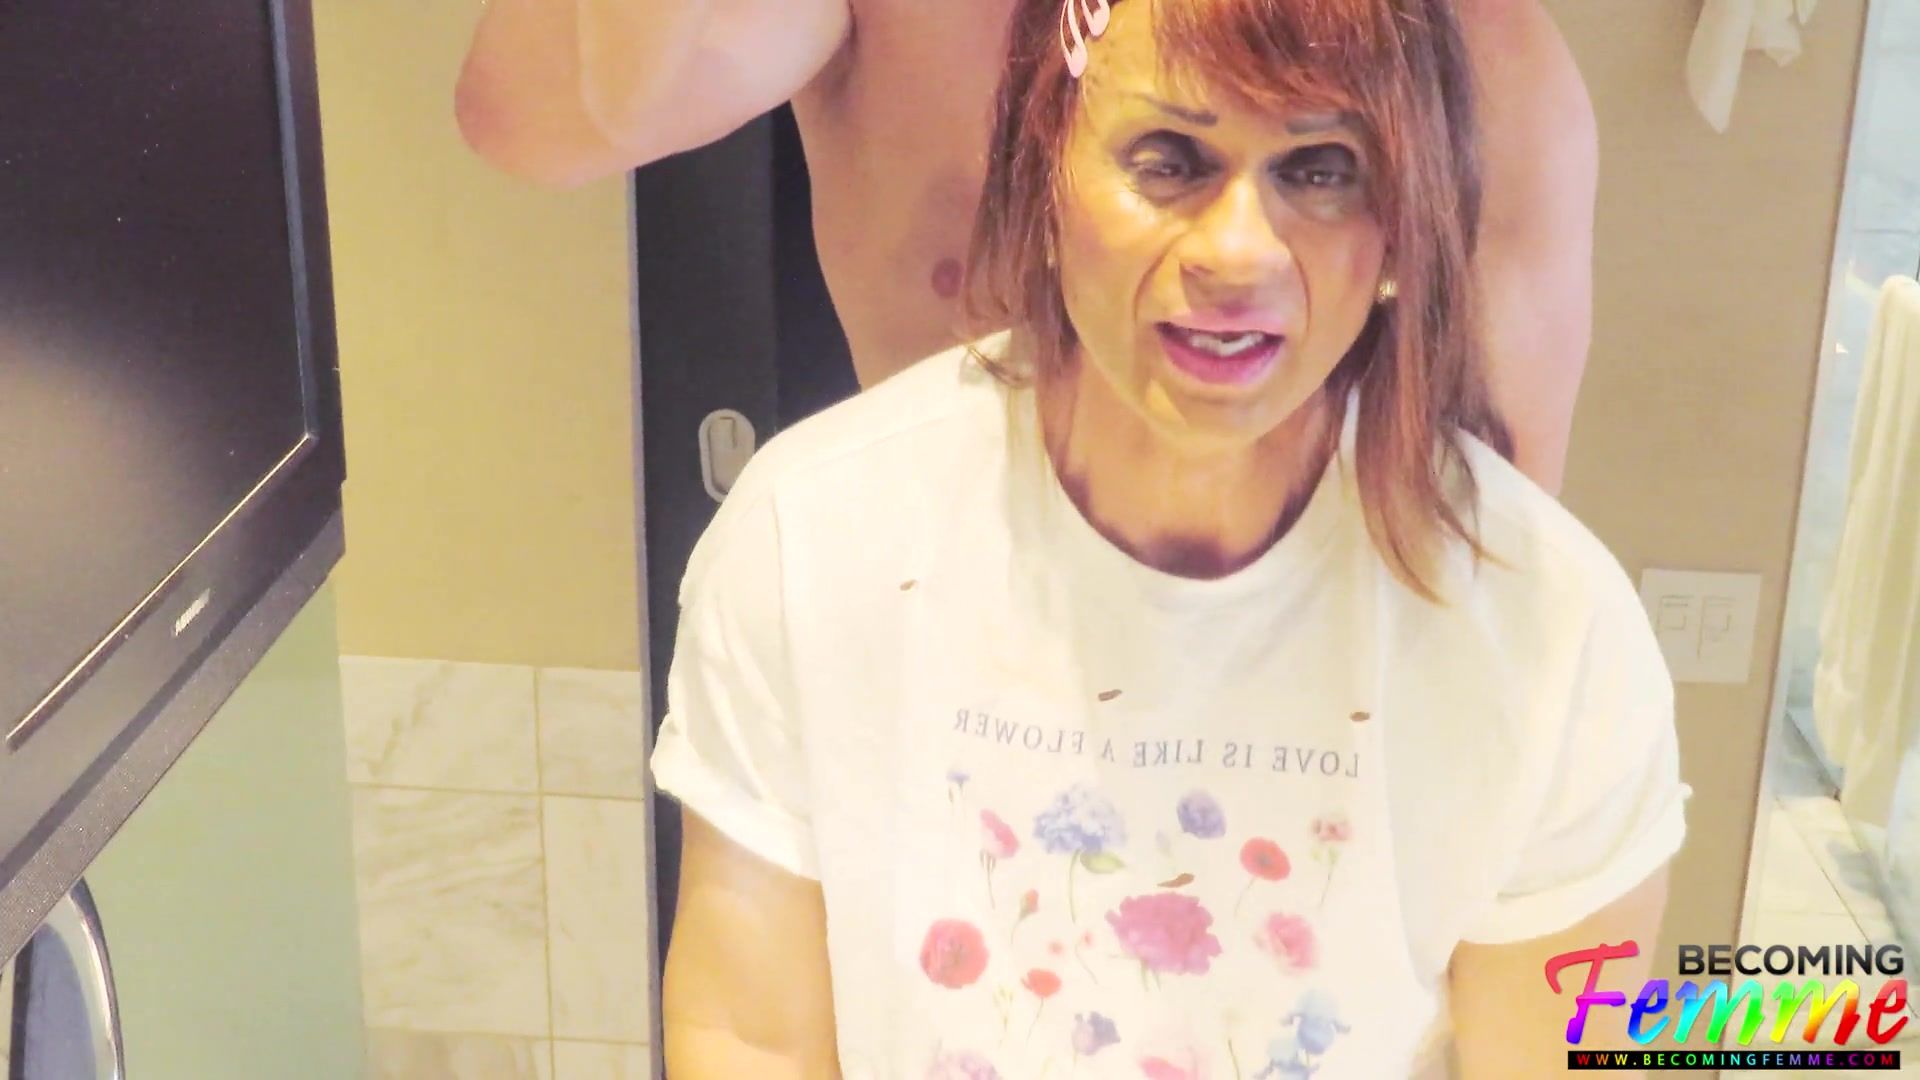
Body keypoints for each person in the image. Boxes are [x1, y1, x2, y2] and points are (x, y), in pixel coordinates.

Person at [635, 0, 1689, 1076]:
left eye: (1321, 169)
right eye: (1170, 161)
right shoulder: (814, 540)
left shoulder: (1553, 633)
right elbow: (750, 1035)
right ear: (1048, 168)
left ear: (1399, 219)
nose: (1237, 251)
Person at [454, 0, 1598, 495]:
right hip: (950, 704)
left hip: (1314, 749)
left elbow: (1497, 524)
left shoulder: (1466, 51)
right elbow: (537, 121)